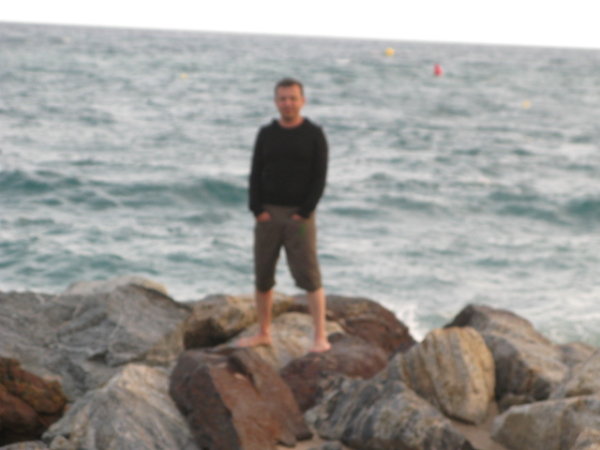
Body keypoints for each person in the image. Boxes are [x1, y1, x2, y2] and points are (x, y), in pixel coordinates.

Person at [237, 77, 331, 353]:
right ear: (276, 102)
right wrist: (257, 209)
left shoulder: (314, 134)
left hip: (300, 217)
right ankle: (263, 332)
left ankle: (320, 337)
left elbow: (320, 176)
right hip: (268, 214)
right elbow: (255, 172)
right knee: (263, 275)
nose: (287, 103)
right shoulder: (267, 133)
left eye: (292, 98)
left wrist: (305, 211)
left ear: (303, 101)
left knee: (310, 275)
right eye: (282, 98)